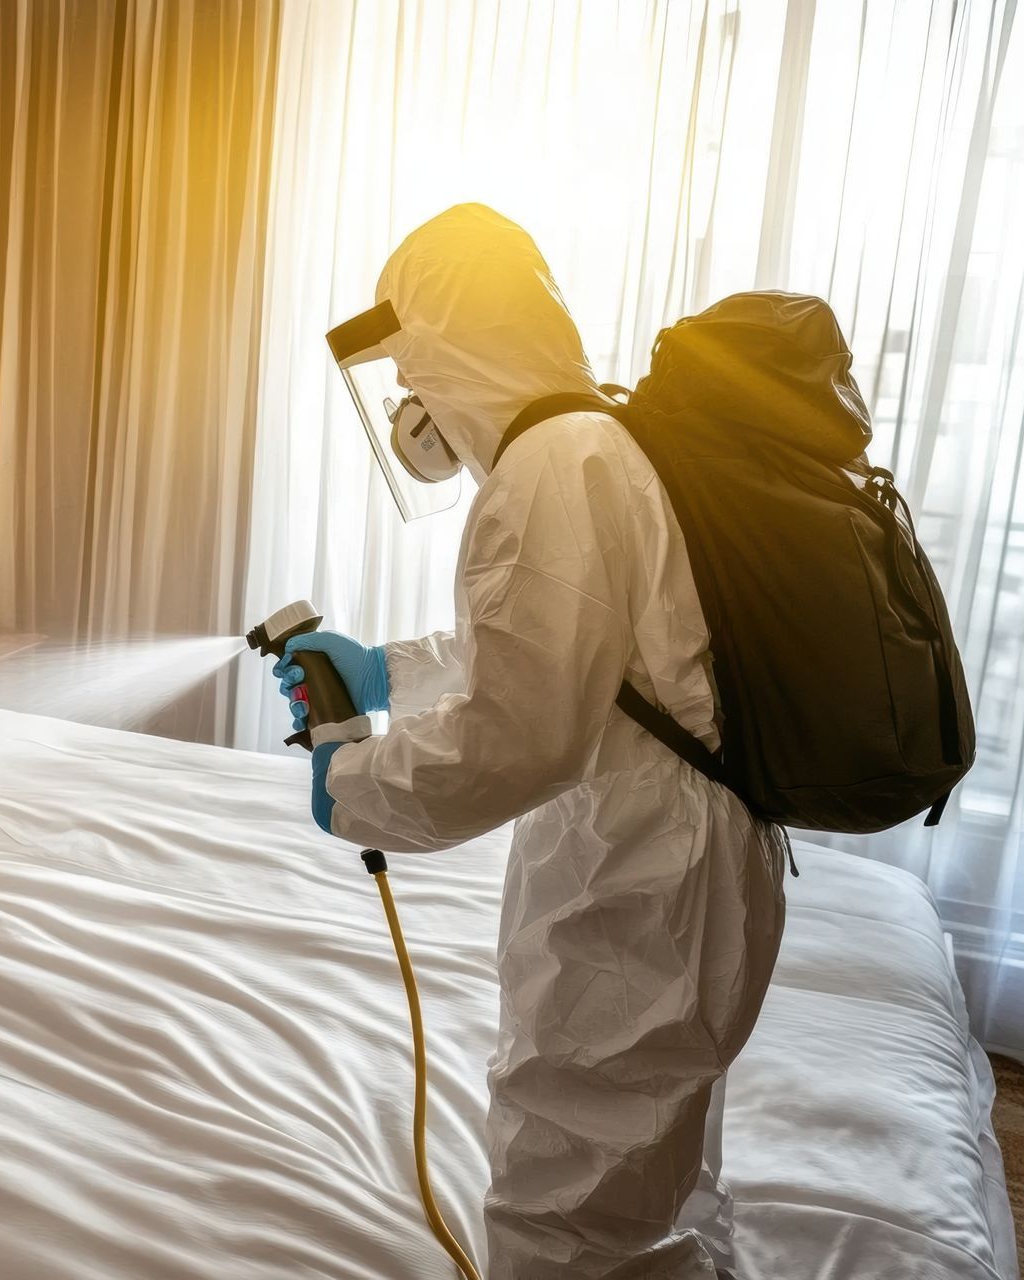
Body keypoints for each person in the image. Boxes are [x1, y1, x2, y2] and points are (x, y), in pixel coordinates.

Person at [276, 204, 786, 1279]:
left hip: (641, 888)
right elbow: (546, 649)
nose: (412, 406)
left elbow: (522, 735)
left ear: (448, 347)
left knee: (572, 1212)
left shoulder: (551, 467)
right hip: (672, 865)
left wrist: (351, 780)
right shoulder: (587, 438)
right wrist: (386, 671)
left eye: (413, 364)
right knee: (651, 1182)